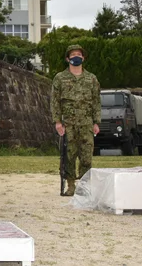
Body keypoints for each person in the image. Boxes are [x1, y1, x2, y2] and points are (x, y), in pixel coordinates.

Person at [51, 44, 101, 197]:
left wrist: (96, 122)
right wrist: (57, 122)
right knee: (69, 156)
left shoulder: (91, 78)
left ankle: (85, 186)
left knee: (86, 157)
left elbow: (96, 101)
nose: (76, 57)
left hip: (86, 123)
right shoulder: (60, 78)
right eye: (72, 55)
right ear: (68, 59)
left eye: (79, 54)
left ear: (83, 58)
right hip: (69, 124)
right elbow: (55, 101)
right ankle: (71, 186)